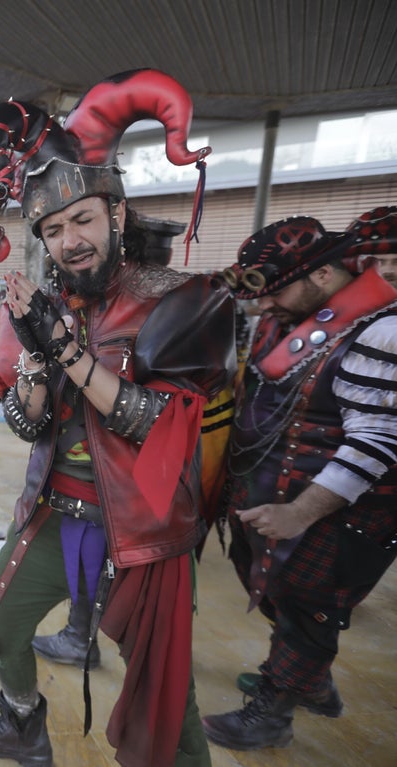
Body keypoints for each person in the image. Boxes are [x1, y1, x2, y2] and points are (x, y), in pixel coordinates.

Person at [0, 70, 233, 767]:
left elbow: (164, 424)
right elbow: (24, 425)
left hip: (140, 528)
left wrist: (69, 355)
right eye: (52, 229)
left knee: (166, 699)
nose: (68, 240)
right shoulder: (40, 302)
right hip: (54, 510)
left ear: (116, 214)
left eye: (81, 219)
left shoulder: (176, 296)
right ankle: (24, 723)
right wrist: (35, 370)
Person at [201, 214, 397, 750]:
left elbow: (373, 443)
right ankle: (311, 682)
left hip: (337, 513)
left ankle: (275, 712)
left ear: (323, 275)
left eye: (274, 291)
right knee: (284, 601)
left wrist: (299, 513)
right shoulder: (293, 318)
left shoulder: (382, 331)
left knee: (311, 604)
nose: (263, 305)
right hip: (273, 496)